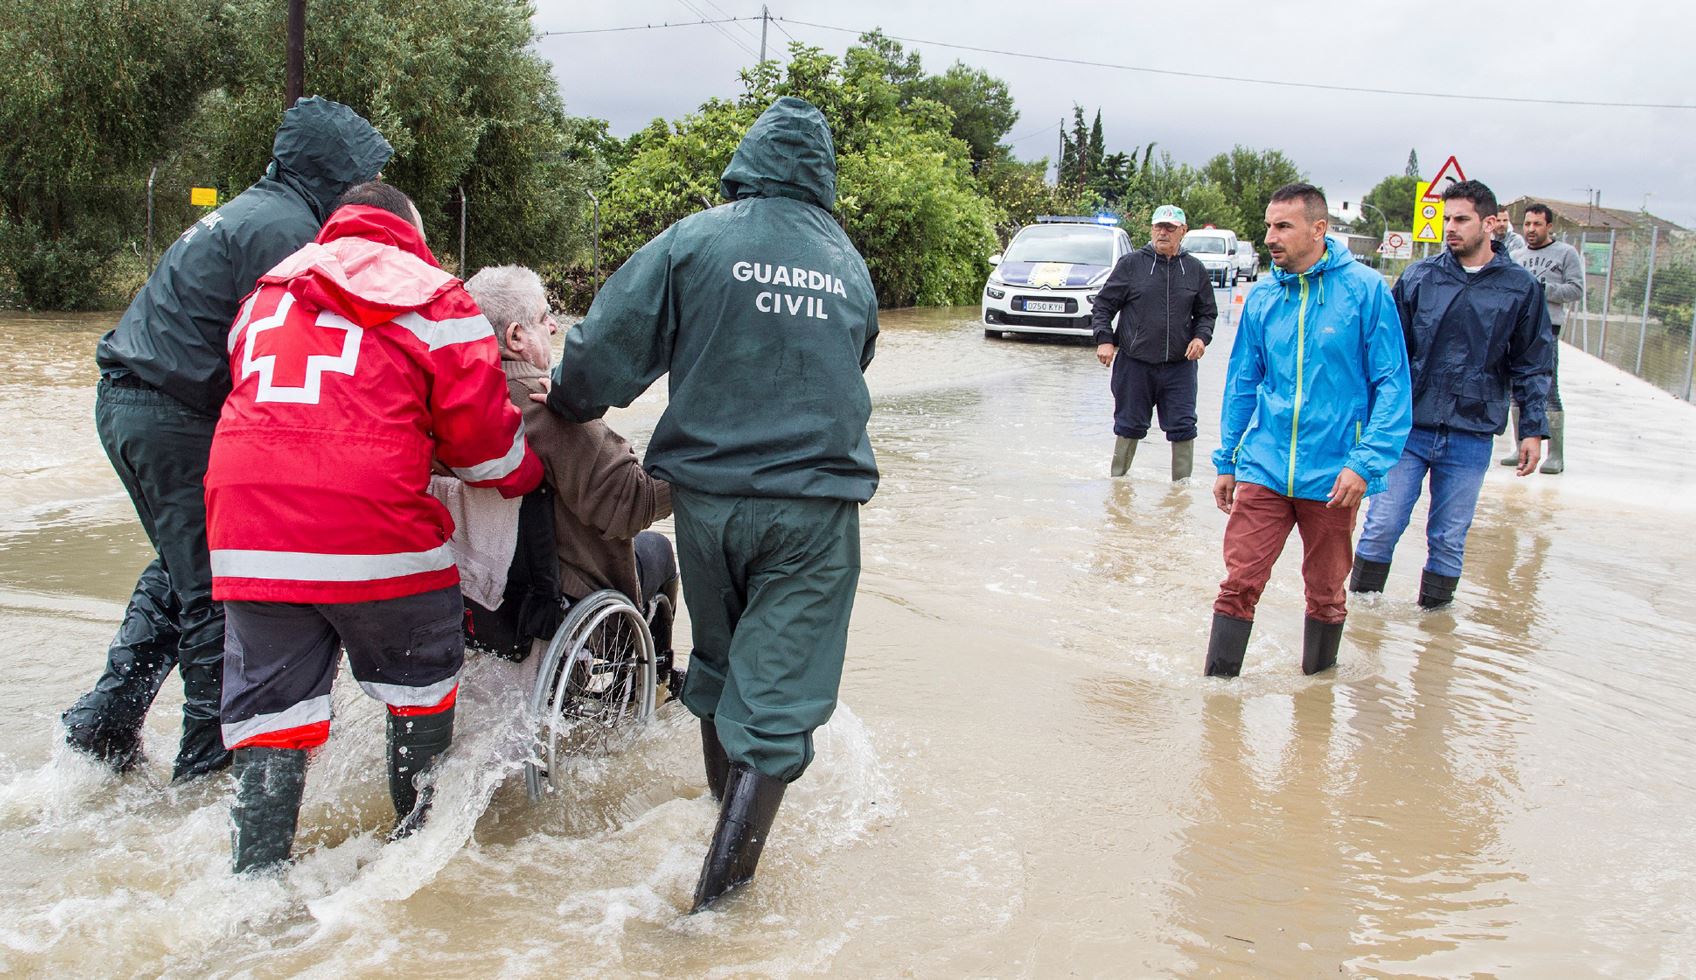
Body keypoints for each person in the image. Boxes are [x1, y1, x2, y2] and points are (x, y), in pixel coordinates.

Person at [542, 97, 878, 911]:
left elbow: (601, 352)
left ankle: (708, 829)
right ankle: (717, 916)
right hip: (812, 512)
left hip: (706, 507)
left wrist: (563, 403)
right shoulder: (849, 264)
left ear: (748, 163)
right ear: (823, 175)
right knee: (777, 703)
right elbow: (854, 357)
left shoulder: (696, 240)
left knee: (723, 668)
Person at [205, 182, 542, 874]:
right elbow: (487, 455)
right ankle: (412, 863)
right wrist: (530, 475)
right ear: (409, 231)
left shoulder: (265, 294)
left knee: (272, 715)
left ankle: (255, 885)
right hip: (374, 538)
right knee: (422, 681)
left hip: (248, 538)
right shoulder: (437, 298)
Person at [66, 97, 391, 781]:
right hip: (172, 414)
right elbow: (328, 351)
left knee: (182, 572)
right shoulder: (289, 232)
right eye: (360, 176)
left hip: (136, 403)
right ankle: (204, 779)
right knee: (222, 596)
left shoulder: (261, 210)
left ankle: (103, 726)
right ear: (332, 174)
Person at [1206, 183, 1412, 678]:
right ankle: (1216, 695)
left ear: (1318, 229)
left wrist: (1363, 463)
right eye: (1269, 226)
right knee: (1238, 583)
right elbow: (1241, 384)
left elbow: (1393, 387)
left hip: (1336, 474)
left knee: (1326, 593)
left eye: (1283, 226)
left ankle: (1316, 704)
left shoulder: (1365, 291)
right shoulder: (1261, 298)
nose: (1271, 237)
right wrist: (1227, 459)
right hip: (1265, 465)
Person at [1351, 180, 1554, 609]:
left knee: (1448, 537)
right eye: (1447, 220)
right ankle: (1361, 620)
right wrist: (1366, 420)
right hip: (1409, 428)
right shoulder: (1420, 277)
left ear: (1491, 223)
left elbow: (1532, 364)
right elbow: (1384, 355)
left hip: (1472, 432)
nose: (1451, 229)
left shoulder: (1520, 288)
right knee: (1382, 523)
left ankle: (1433, 631)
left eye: (1461, 219)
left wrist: (1532, 430)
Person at [463, 265, 679, 650]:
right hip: (562, 607)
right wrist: (687, 474)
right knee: (659, 550)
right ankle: (654, 684)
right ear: (515, 336)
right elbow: (634, 503)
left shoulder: (448, 400)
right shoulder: (546, 409)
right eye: (545, 318)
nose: (554, 328)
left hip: (476, 599)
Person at [1091, 204, 1218, 481]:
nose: (1163, 233)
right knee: (1128, 426)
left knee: (1184, 427)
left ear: (1182, 232)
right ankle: (1118, 486)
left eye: (1170, 228)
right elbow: (1102, 306)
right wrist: (1104, 340)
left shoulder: (1194, 269)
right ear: (1151, 229)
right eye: (1158, 226)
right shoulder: (1131, 265)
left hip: (1179, 367)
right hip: (1135, 364)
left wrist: (1201, 337)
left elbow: (1207, 313)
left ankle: (1180, 493)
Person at [1508, 203, 1583, 474]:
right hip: (1517, 330)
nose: (1531, 229)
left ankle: (1556, 455)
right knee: (1517, 392)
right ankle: (1520, 447)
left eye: (1537, 224)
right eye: (1527, 224)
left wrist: (1542, 289)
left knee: (1548, 392)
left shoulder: (1565, 253)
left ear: (1549, 226)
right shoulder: (1515, 255)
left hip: (1546, 330)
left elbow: (1575, 290)